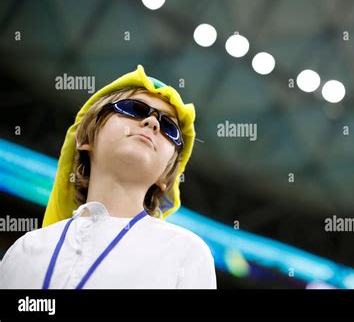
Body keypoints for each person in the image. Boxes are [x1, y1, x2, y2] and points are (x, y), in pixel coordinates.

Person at [0, 65, 217, 289]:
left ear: (166, 176)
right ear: (87, 138)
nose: (152, 123)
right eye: (134, 108)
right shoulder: (24, 250)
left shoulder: (185, 252)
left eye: (169, 128)